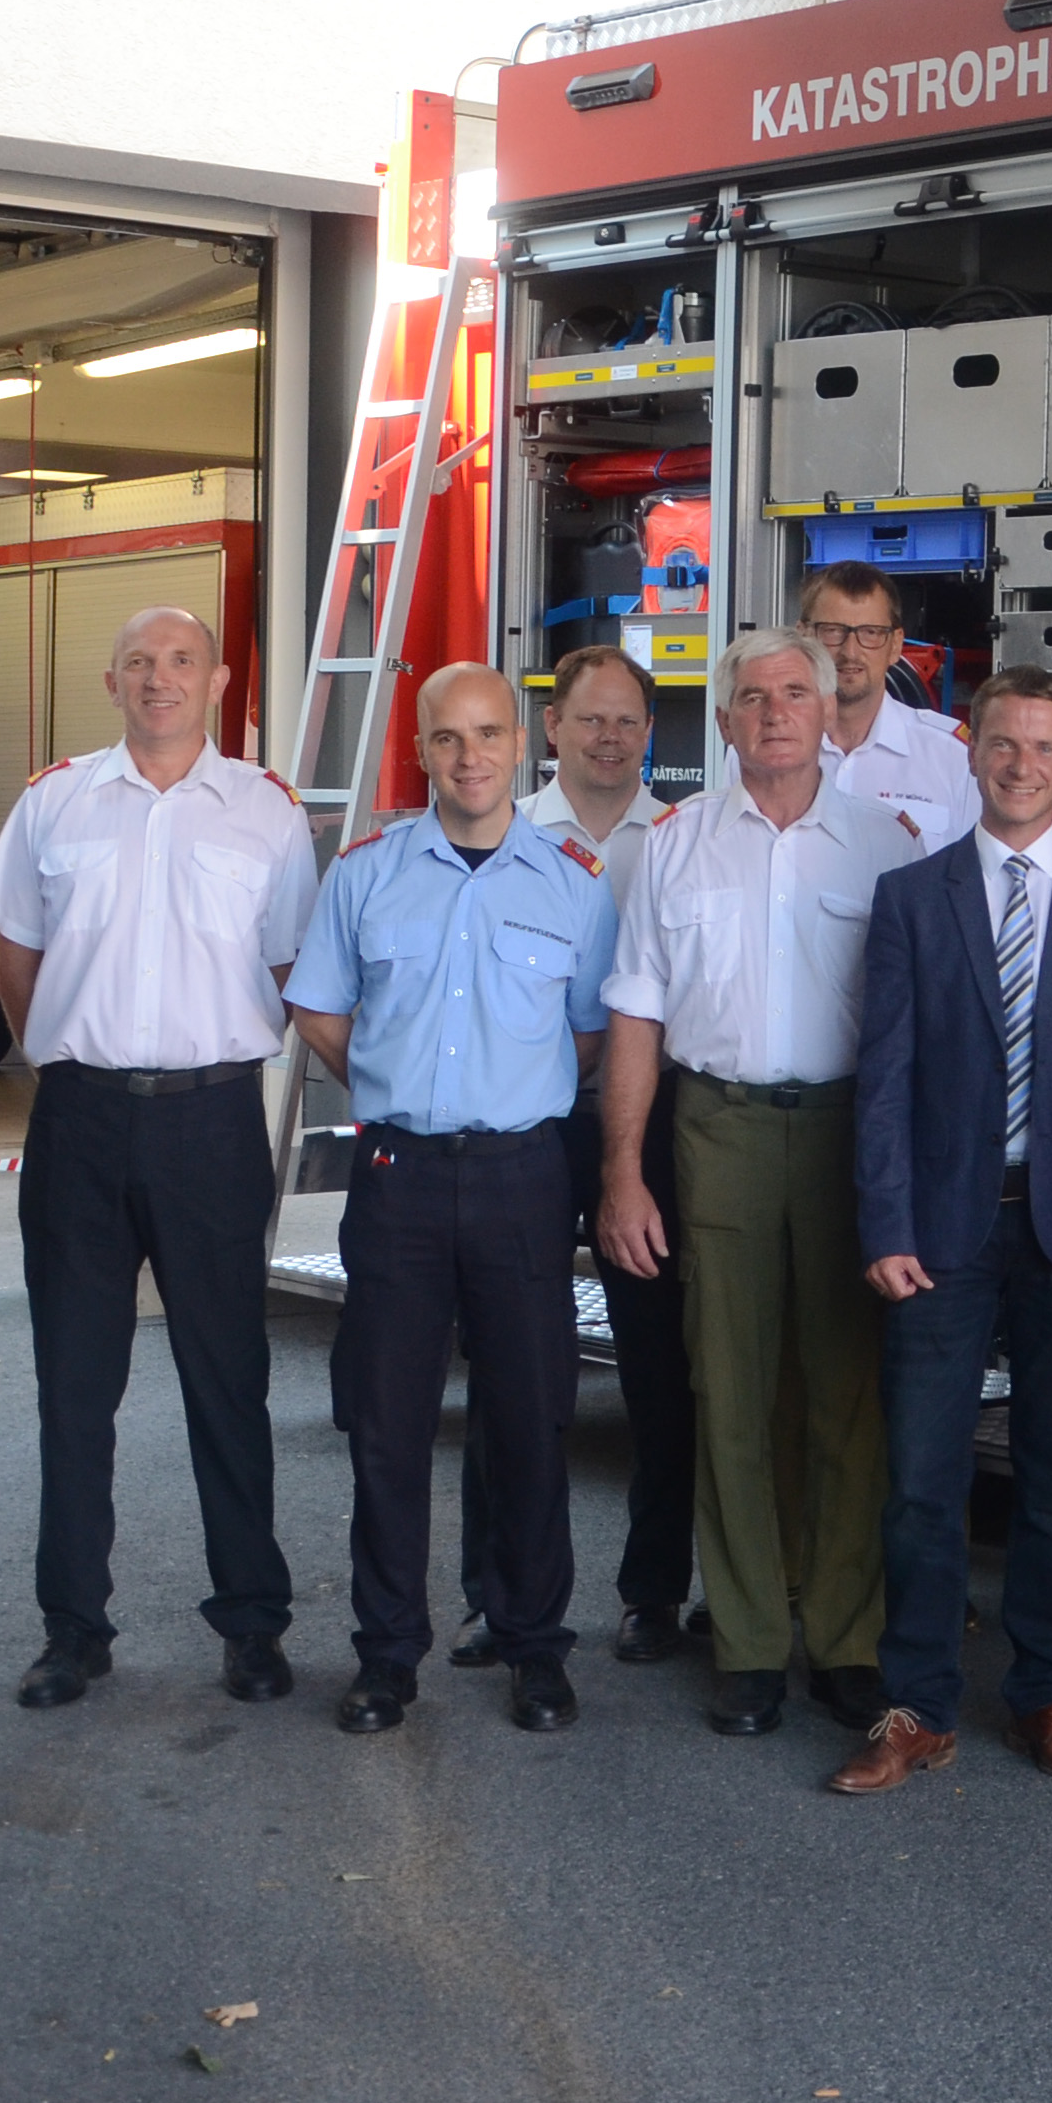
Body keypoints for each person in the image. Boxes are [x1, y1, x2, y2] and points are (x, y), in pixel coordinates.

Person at [0, 604, 318, 1712]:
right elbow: (14, 961)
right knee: (75, 1388)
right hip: (78, 1122)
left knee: (229, 1381)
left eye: (181, 661)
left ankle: (252, 1622)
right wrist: (68, 1062)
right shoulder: (54, 802)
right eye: (139, 663)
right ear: (111, 679)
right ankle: (73, 1629)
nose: (160, 679)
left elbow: (290, 971)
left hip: (213, 1121)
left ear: (217, 680)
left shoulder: (265, 815)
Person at [834, 668, 1052, 1796]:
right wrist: (883, 1222)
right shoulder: (913, 896)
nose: (1022, 764)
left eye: (1043, 747)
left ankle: (1044, 1695)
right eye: (1004, 744)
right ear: (971, 753)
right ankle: (916, 1704)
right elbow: (883, 1079)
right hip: (939, 1234)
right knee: (922, 1482)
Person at [597, 626, 928, 1737]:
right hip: (719, 1130)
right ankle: (743, 1642)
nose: (777, 711)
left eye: (798, 691)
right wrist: (623, 1174)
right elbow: (635, 1014)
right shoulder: (676, 845)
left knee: (846, 1398)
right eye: (754, 696)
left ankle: (844, 1638)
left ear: (831, 710)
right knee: (726, 1390)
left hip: (849, 1139)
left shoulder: (887, 845)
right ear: (726, 720)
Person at [280, 664, 619, 1736]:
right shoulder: (368, 871)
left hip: (524, 1175)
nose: (468, 757)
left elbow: (591, 1032)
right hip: (400, 1180)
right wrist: (394, 1077)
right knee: (386, 1427)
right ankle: (386, 1656)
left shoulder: (573, 878)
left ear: (521, 743)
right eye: (445, 739)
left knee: (529, 1418)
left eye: (486, 735)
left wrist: (505, 1095)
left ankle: (532, 1644)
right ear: (420, 752)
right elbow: (322, 1009)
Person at [504, 644, 701, 1668]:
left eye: (629, 722)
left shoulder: (678, 840)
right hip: (529, 1127)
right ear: (551, 728)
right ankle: (504, 1596)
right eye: (591, 719)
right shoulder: (500, 832)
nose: (611, 737)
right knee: (519, 1367)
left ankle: (652, 1589)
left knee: (658, 1369)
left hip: (645, 1130)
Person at [802, 561, 977, 850]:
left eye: (870, 632)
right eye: (832, 631)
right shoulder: (762, 748)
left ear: (895, 645)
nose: (850, 651)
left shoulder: (954, 758)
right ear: (804, 636)